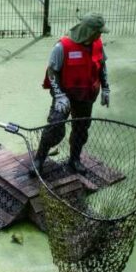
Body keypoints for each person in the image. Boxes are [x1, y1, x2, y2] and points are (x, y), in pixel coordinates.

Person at [30, 13, 111, 176]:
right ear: (88, 31)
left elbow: (101, 66)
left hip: (87, 95)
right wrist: (59, 95)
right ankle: (39, 159)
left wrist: (106, 88)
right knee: (54, 126)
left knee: (81, 129)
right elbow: (52, 71)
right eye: (98, 31)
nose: (100, 34)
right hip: (65, 96)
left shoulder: (97, 44)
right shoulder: (63, 46)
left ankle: (75, 159)